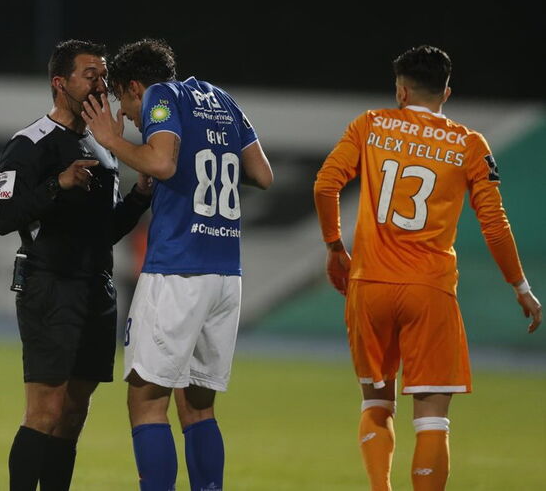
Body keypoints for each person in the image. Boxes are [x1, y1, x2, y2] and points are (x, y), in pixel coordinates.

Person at [312, 45, 541, 491]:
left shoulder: (370, 125)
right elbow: (494, 225)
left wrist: (335, 246)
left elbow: (325, 183)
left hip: (371, 284)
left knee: (376, 402)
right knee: (433, 417)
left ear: (400, 89)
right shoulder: (470, 144)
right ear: (447, 93)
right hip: (430, 290)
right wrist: (520, 286)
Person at [82, 38, 273, 490]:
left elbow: (162, 163)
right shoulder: (222, 100)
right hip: (226, 274)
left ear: (134, 86)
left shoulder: (161, 96)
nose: (128, 117)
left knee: (146, 401)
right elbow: (263, 174)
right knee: (198, 406)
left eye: (124, 105)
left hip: (178, 270)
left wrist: (112, 140)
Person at [0, 39, 152, 490]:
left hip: (96, 288)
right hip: (50, 285)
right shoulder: (28, 144)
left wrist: (139, 198)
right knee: (45, 408)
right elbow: (2, 218)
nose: (102, 84)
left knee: (75, 410)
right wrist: (57, 185)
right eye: (91, 75)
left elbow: (106, 230)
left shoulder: (103, 145)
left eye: (104, 75)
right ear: (60, 83)